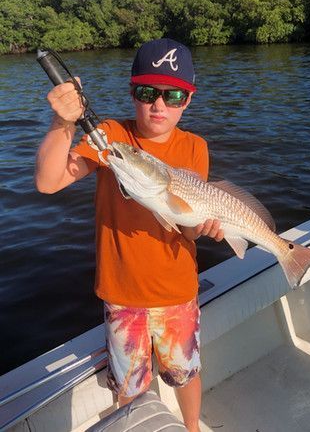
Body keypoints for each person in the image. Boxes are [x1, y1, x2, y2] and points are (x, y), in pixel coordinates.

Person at [35, 38, 224, 432]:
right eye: (146, 92)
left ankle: (191, 427)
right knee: (130, 389)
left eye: (173, 95)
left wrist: (205, 226)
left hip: (177, 292)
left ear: (187, 100)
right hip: (122, 296)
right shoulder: (109, 137)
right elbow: (49, 182)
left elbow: (187, 228)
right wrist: (63, 122)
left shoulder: (195, 147)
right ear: (131, 91)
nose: (159, 105)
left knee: (185, 373)